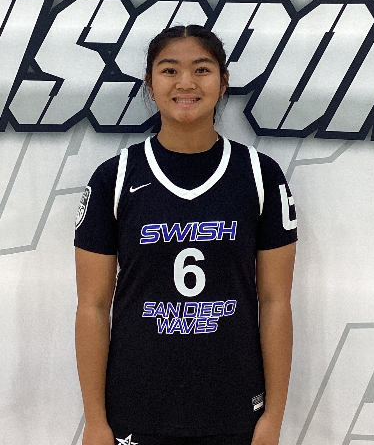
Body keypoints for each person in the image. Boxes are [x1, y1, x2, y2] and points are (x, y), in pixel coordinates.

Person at [74, 25, 297, 445]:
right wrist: (96, 421)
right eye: (170, 70)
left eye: (202, 69)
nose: (186, 83)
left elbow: (275, 302)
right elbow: (93, 306)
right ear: (149, 83)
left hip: (234, 407)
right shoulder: (114, 178)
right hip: (136, 407)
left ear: (223, 81)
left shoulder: (259, 175)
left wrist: (273, 417)